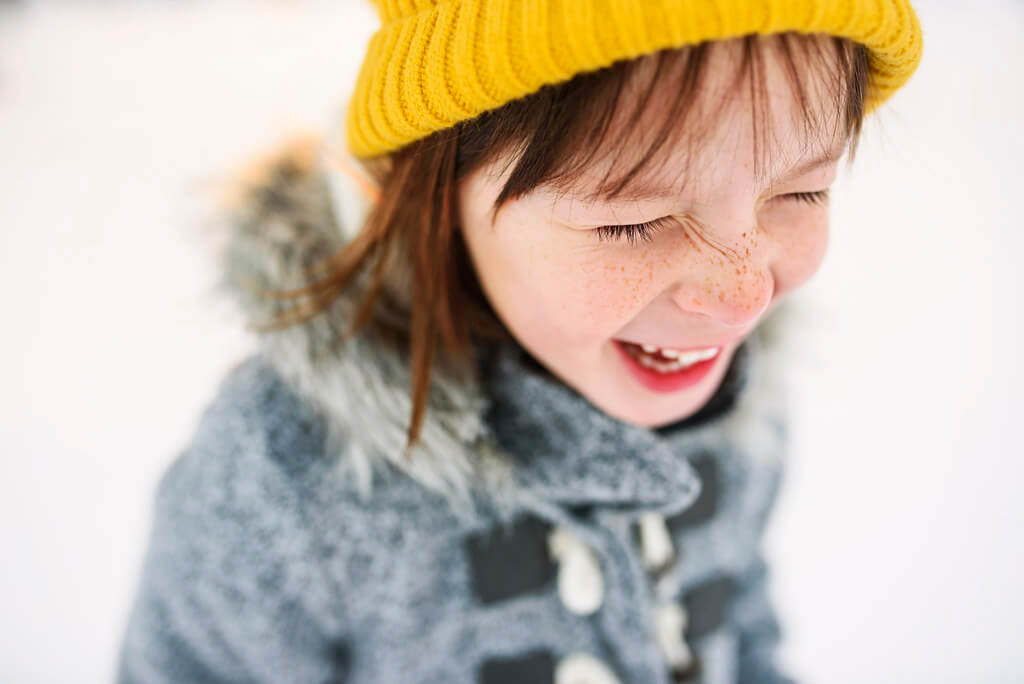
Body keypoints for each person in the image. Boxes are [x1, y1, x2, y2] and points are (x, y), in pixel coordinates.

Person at [115, 2, 922, 682]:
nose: (745, 293)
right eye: (633, 221)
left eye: (802, 189)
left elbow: (738, 619)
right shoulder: (287, 475)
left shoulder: (739, 405)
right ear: (430, 195)